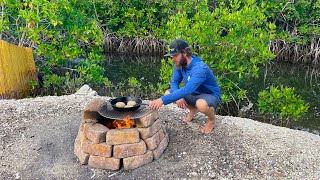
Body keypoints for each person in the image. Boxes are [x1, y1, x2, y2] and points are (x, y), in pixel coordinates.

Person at [149, 39, 221, 134]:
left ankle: (211, 120)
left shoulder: (199, 68)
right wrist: (178, 97)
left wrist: (162, 100)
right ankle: (193, 109)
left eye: (175, 55)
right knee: (168, 93)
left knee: (201, 105)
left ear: (185, 53)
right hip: (193, 93)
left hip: (209, 95)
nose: (173, 58)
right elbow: (174, 82)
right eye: (172, 56)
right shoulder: (179, 64)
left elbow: (187, 89)